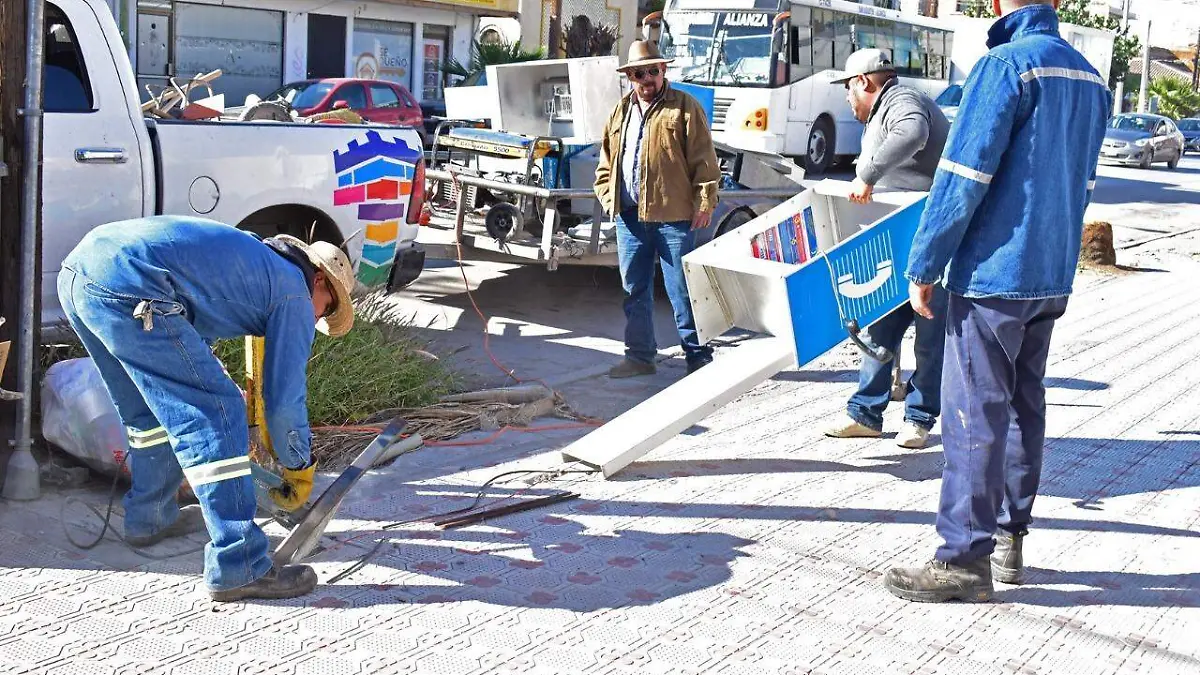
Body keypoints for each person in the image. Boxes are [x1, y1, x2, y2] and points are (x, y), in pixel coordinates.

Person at [883, 0, 1110, 602]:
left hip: (994, 274)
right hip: (1049, 275)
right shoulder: (1090, 78)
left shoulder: (1005, 65)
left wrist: (925, 262)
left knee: (974, 413)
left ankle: (962, 558)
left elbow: (963, 176)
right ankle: (1009, 540)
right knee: (1022, 407)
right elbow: (1084, 184)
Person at [57, 216, 358, 602]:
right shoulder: (295, 294)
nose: (317, 319)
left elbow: (194, 325)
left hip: (81, 273)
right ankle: (239, 564)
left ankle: (149, 518)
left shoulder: (256, 259)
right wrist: (298, 465)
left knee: (147, 413)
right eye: (325, 309)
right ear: (319, 281)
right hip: (132, 285)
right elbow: (284, 400)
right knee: (218, 414)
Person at [822, 48, 951, 450]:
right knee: (880, 329)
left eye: (848, 88)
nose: (847, 98)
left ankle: (919, 419)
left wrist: (867, 174)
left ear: (863, 81)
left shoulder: (902, 99)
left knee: (929, 336)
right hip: (897, 241)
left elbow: (913, 133)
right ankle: (865, 414)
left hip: (929, 242)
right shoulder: (884, 109)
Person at [594, 39, 721, 378]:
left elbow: (704, 161)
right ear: (630, 77)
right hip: (630, 218)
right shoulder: (620, 111)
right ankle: (640, 358)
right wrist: (608, 197)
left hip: (673, 218)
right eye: (639, 73)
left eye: (652, 71)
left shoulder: (685, 107)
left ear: (663, 70)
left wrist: (705, 201)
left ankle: (697, 357)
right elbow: (606, 161)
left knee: (681, 290)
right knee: (634, 290)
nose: (646, 79)